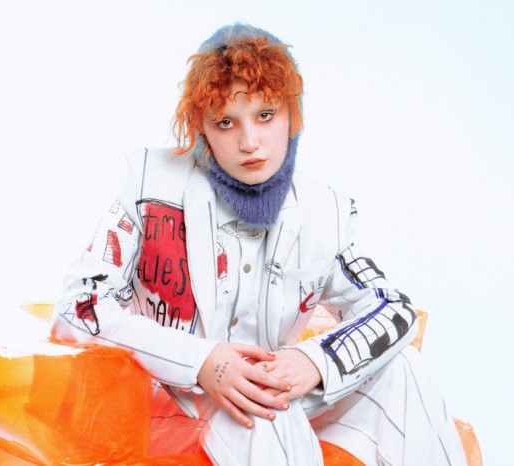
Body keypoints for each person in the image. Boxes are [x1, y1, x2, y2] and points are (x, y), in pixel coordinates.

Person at [52, 23, 467, 466]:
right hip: (165, 396)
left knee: (403, 369)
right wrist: (202, 361)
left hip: (271, 393)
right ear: (202, 129)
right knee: (264, 413)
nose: (250, 143)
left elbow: (393, 309)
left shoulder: (323, 210)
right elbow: (78, 307)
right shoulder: (147, 180)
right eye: (226, 122)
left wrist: (316, 360)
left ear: (292, 117)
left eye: (266, 115)